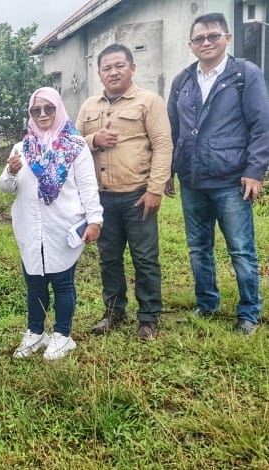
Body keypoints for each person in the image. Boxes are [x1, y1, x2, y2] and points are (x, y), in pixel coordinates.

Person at [167, 13, 269, 336]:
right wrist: (168, 170)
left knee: (240, 249)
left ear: (227, 38)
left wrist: (255, 171)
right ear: (191, 45)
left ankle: (249, 313)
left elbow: (261, 126)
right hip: (192, 181)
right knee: (198, 248)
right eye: (199, 39)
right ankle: (206, 303)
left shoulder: (244, 75)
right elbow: (171, 131)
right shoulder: (182, 81)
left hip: (231, 181)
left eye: (213, 36)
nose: (206, 42)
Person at [75, 43, 172, 341]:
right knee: (109, 258)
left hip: (138, 195)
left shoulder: (149, 102)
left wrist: (155, 189)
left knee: (145, 258)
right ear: (99, 73)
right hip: (102, 198)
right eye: (107, 68)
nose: (113, 72)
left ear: (132, 68)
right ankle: (114, 311)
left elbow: (163, 145)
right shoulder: (89, 106)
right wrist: (94, 138)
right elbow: (72, 143)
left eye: (119, 66)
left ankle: (148, 317)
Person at [0, 88, 103, 360]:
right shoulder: (23, 148)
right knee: (34, 282)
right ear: (30, 115)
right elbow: (5, 187)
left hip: (63, 225)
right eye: (36, 110)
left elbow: (88, 187)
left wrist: (95, 220)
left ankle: (62, 335)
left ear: (59, 109)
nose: (42, 114)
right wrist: (11, 171)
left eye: (49, 109)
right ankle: (35, 332)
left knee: (62, 282)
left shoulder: (75, 146)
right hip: (29, 228)